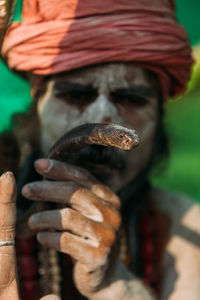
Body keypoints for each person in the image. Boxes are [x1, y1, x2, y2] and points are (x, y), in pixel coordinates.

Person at [0, 0, 200, 299]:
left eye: (131, 99)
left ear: (159, 118)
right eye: (75, 95)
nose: (101, 118)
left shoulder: (183, 230)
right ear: (35, 111)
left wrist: (115, 284)